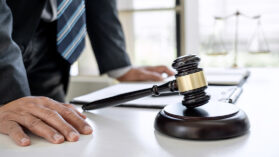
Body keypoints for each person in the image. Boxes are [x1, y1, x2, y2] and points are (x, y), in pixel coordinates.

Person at [0, 0, 174, 146]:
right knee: (15, 132)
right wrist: (9, 98)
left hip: (56, 33)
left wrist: (119, 65)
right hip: (5, 28)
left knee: (53, 136)